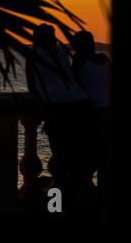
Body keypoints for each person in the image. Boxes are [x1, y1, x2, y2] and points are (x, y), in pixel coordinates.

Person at [26, 24, 89, 205]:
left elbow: (32, 85)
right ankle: (71, 198)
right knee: (75, 157)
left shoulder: (34, 54)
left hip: (58, 107)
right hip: (79, 103)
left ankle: (59, 203)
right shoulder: (61, 51)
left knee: (60, 156)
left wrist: (46, 113)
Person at [72, 30, 111, 208]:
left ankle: (83, 200)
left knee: (88, 160)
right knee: (103, 159)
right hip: (107, 113)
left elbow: (71, 85)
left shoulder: (79, 62)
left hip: (92, 115)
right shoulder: (104, 59)